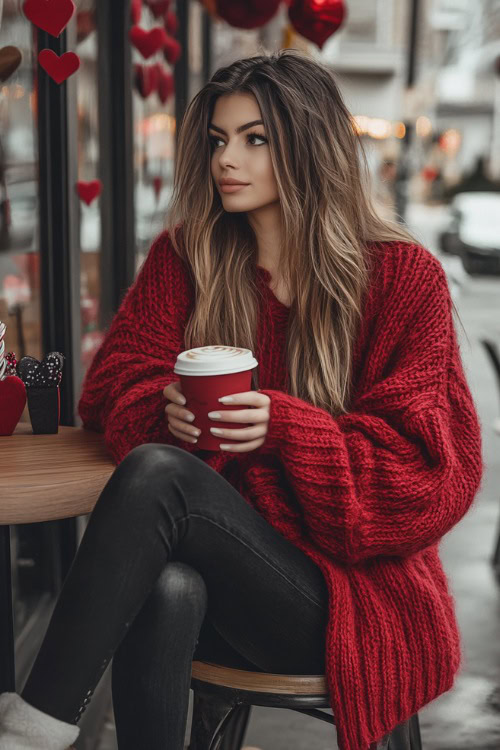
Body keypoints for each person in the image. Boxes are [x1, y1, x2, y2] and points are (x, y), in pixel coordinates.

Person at [0, 49, 483, 750]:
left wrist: (290, 429)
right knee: (165, 587)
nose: (228, 159)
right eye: (220, 139)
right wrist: (163, 408)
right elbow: (114, 385)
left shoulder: (403, 279)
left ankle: (32, 729)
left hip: (351, 600)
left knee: (160, 475)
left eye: (256, 139)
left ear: (310, 145)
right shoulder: (188, 256)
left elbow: (433, 477)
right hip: (228, 589)